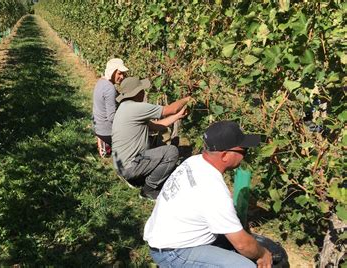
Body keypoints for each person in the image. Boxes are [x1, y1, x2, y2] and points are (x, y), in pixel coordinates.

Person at [143, 121, 273, 267]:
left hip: (166, 237)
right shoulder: (213, 190)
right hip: (173, 253)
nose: (245, 155)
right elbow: (242, 245)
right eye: (244, 151)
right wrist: (263, 254)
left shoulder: (194, 161)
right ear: (225, 156)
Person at [112, 76, 190, 199]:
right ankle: (148, 190)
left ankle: (137, 179)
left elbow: (156, 126)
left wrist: (178, 116)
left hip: (122, 166)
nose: (144, 92)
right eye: (142, 90)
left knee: (157, 151)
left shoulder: (125, 108)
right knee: (171, 152)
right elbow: (170, 109)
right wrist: (187, 99)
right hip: (130, 166)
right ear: (136, 93)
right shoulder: (136, 107)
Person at [92, 58, 128, 152]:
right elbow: (112, 117)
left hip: (98, 127)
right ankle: (107, 144)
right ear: (112, 72)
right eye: (119, 73)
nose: (122, 77)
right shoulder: (110, 88)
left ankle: (103, 142)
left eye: (123, 74)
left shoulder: (101, 81)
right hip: (107, 132)